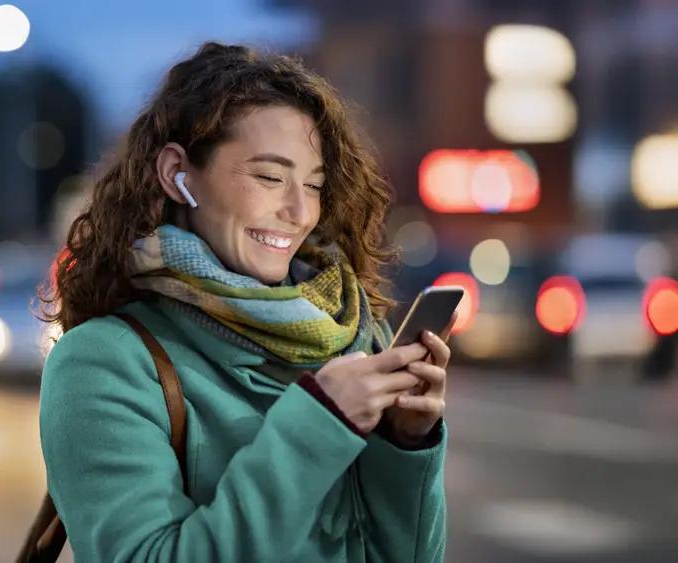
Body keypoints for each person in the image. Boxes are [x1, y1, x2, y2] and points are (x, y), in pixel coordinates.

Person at [37, 41, 453, 563]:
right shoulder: (103, 361)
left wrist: (405, 443)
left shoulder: (352, 335)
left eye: (314, 185)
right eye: (270, 177)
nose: (299, 212)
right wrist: (321, 422)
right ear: (177, 174)